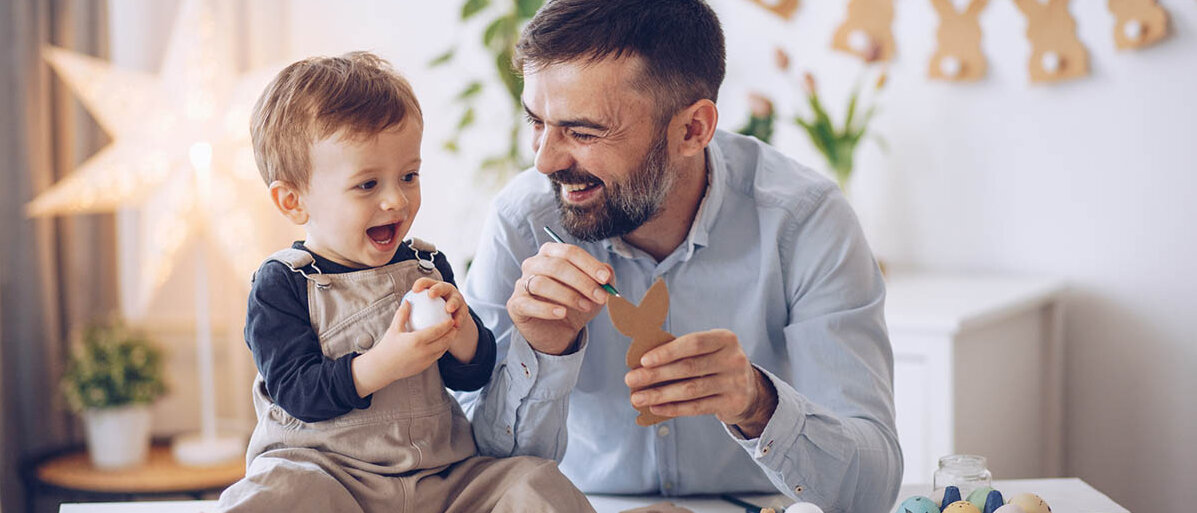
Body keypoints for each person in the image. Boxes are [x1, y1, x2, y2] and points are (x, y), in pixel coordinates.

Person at [457, 1, 903, 511]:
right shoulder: (520, 222)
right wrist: (539, 355)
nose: (544, 161)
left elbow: (873, 488)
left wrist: (759, 405)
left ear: (693, 129)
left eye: (582, 132)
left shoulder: (805, 221)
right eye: (537, 122)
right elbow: (471, 474)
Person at [217, 51, 594, 513]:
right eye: (367, 185)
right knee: (276, 494)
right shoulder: (284, 283)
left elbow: (472, 377)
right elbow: (298, 393)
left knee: (531, 480)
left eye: (409, 176)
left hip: (440, 478)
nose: (396, 200)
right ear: (293, 201)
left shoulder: (425, 264)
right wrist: (385, 363)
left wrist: (462, 332)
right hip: (333, 479)